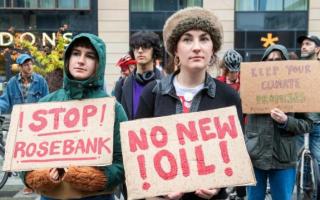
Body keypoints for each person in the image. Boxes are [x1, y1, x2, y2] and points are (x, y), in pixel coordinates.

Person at [136, 7, 243, 200]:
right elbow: (139, 157)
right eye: (187, 39)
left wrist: (220, 185)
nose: (196, 47)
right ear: (175, 49)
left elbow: (235, 156)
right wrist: (159, 192)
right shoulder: (152, 93)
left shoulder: (229, 97)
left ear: (213, 48)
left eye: (204, 39)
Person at [20, 33, 127, 200]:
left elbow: (124, 161)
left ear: (98, 64)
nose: (81, 60)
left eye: (89, 56)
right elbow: (23, 159)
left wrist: (96, 177)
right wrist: (41, 176)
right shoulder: (46, 104)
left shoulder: (112, 108)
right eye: (76, 53)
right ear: (68, 59)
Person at [245, 44, 313, 200]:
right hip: (256, 156)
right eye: (269, 59)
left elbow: (308, 124)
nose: (273, 63)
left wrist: (286, 121)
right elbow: (237, 118)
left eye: (278, 59)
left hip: (283, 158)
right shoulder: (252, 87)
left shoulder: (297, 89)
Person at [0, 53, 49, 195]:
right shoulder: (12, 83)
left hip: (36, 124)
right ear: (20, 67)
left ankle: (38, 182)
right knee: (21, 155)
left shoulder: (40, 81)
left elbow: (46, 101)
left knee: (37, 154)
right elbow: (4, 101)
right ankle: (28, 183)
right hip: (19, 124)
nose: (29, 67)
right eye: (26, 65)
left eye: (30, 64)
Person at [113, 31, 162, 120]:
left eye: (145, 47)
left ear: (154, 51)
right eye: (136, 47)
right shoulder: (121, 85)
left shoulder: (166, 84)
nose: (140, 51)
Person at [297, 34, 320, 199]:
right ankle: (304, 189)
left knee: (318, 160)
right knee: (295, 160)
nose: (303, 46)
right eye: (302, 44)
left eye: (308, 44)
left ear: (317, 49)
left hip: (317, 121)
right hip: (298, 122)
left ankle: (313, 191)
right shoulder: (295, 69)